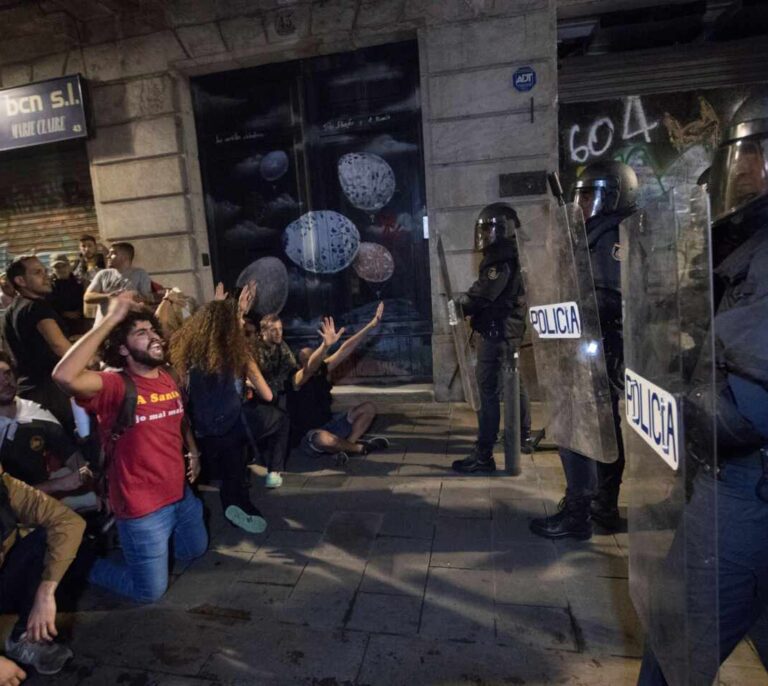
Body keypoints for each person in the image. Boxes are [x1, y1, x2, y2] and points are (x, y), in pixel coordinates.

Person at [637, 95, 768, 684]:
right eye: (744, 150)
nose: (745, 167)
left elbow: (744, 403)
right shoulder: (749, 242)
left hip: (745, 481)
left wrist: (683, 399)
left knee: (676, 643)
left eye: (759, 151)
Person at [52, 292, 207, 604]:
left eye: (152, 331)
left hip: (180, 494)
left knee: (195, 550)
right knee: (149, 592)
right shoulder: (114, 386)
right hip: (142, 508)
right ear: (123, 348)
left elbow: (180, 419)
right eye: (141, 333)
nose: (153, 336)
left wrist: (193, 451)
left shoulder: (167, 376)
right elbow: (64, 376)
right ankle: (85, 565)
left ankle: (151, 550)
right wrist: (110, 319)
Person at [529, 161, 638, 540]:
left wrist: (567, 311)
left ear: (613, 196)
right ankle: (599, 506)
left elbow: (610, 299)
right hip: (584, 348)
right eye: (580, 196)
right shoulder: (591, 234)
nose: (582, 203)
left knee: (582, 431)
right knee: (598, 430)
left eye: (590, 195)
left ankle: (583, 511)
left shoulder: (612, 237)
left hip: (598, 349)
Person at [169, 300, 283, 531]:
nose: (242, 322)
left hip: (198, 431)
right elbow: (268, 395)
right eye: (239, 319)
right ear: (229, 326)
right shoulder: (239, 353)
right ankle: (242, 500)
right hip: (230, 427)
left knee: (223, 462)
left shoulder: (188, 353)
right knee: (274, 419)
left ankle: (205, 511)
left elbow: (180, 394)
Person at [451, 202, 531, 474]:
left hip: (497, 331)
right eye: (483, 230)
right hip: (506, 331)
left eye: (490, 229)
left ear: (505, 229)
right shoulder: (510, 254)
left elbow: (485, 293)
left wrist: (461, 303)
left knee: (488, 392)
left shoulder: (502, 257)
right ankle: (522, 436)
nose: (486, 236)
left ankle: (484, 454)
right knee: (513, 383)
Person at [0, 467, 85, 677]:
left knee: (45, 538)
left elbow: (68, 522)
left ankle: (20, 638)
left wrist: (45, 592)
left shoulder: (4, 484)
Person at [250, 313, 344, 485]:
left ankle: (275, 469)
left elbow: (300, 372)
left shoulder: (282, 346)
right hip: (260, 393)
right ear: (263, 331)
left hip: (280, 390)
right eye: (274, 330)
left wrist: (324, 347)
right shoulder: (253, 349)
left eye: (280, 329)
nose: (279, 333)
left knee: (283, 422)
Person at [290, 302, 390, 463]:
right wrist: (324, 346)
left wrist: (371, 325)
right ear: (301, 364)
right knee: (324, 439)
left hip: (331, 424)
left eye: (315, 358)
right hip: (310, 436)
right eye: (309, 360)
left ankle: (346, 447)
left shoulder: (322, 369)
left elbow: (345, 349)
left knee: (368, 408)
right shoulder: (296, 379)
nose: (315, 362)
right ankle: (359, 448)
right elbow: (309, 369)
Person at [0, 352, 95, 511]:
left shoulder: (34, 412)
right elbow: (5, 496)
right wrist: (59, 484)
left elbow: (71, 455)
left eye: (7, 373)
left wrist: (87, 478)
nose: (6, 382)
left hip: (42, 496)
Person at [2, 256, 73, 432]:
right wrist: (90, 362)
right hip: (52, 392)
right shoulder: (37, 307)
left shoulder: (12, 310)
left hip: (28, 392)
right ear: (20, 281)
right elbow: (59, 346)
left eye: (45, 270)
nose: (46, 275)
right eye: (37, 272)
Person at [84, 242, 153, 325]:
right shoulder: (103, 274)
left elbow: (148, 300)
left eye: (113, 253)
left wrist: (130, 298)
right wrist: (108, 296)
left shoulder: (140, 274)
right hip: (103, 328)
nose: (107, 256)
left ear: (125, 257)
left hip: (128, 329)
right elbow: (87, 297)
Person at [49, 254, 85, 338]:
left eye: (63, 266)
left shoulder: (79, 283)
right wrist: (64, 313)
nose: (61, 269)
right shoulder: (49, 287)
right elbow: (48, 307)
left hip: (80, 325)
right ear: (53, 270)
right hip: (60, 328)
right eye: (57, 267)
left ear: (69, 266)